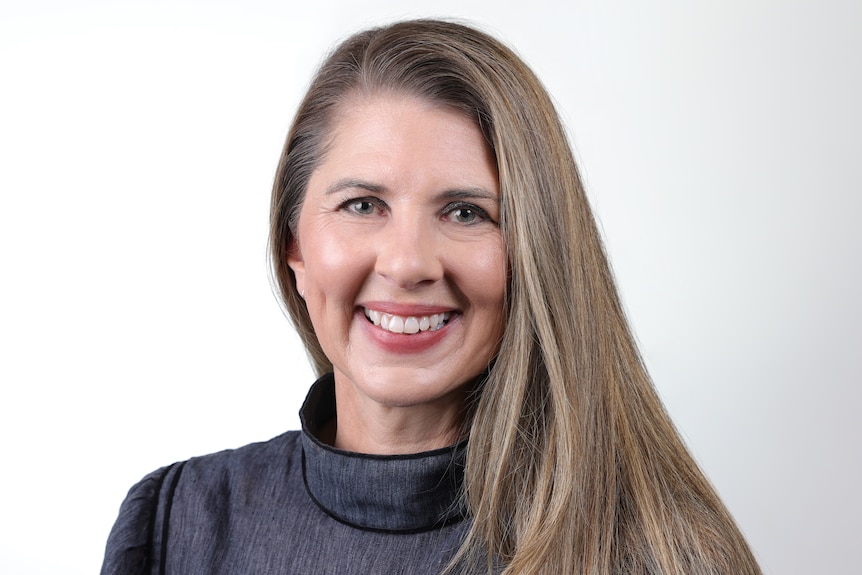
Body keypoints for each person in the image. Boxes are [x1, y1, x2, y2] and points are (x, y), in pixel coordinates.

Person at [101, 19, 761, 575]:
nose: (408, 262)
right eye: (362, 204)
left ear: (537, 254)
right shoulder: (176, 526)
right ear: (294, 248)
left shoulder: (661, 555)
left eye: (468, 212)